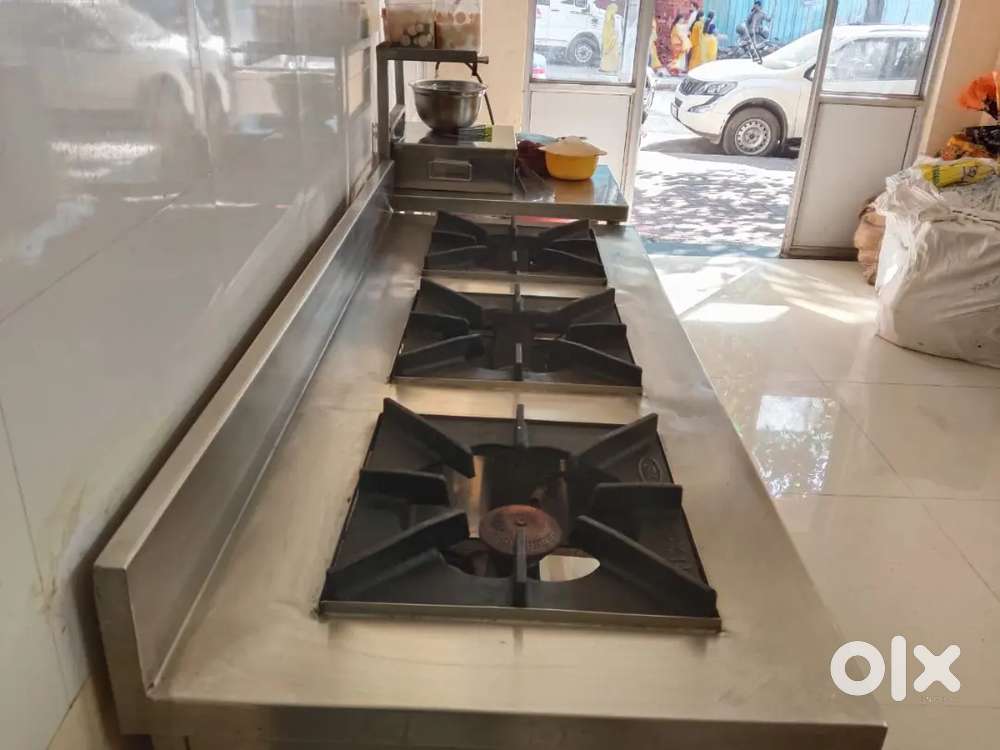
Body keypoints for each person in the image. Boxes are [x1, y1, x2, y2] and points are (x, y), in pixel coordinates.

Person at [600, 2, 622, 73]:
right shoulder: (610, 18)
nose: (616, 10)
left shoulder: (611, 17)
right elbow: (610, 30)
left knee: (610, 54)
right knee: (610, 54)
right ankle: (609, 68)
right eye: (615, 9)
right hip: (611, 39)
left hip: (611, 39)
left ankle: (608, 68)